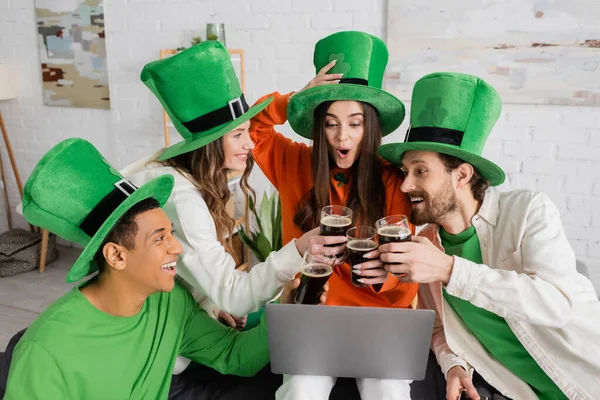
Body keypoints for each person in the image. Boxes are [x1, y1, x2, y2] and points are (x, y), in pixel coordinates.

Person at [4, 138, 313, 399]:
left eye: (172, 233)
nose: (176, 248)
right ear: (116, 256)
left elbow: (235, 356)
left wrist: (285, 310)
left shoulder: (170, 301)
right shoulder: (46, 352)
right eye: (160, 238)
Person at [378, 72, 600, 400]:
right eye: (405, 172)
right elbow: (439, 328)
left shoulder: (528, 211)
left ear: (462, 174)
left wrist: (449, 270)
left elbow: (557, 305)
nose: (406, 185)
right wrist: (454, 365)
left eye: (420, 171)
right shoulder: (426, 243)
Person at [122, 42, 326, 373]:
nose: (249, 143)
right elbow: (236, 295)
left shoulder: (182, 175)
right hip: (159, 340)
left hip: (184, 310)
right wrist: (300, 247)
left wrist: (211, 302)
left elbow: (199, 274)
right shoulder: (183, 201)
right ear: (210, 144)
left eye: (246, 133)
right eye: (238, 135)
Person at [250, 31, 417, 400]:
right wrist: (295, 98)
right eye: (331, 123)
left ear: (369, 126)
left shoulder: (394, 180)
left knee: (390, 393)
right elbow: (250, 127)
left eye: (355, 123)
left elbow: (409, 276)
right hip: (311, 319)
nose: (343, 137)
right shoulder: (294, 162)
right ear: (319, 126)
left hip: (379, 322)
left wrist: (386, 278)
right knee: (300, 392)